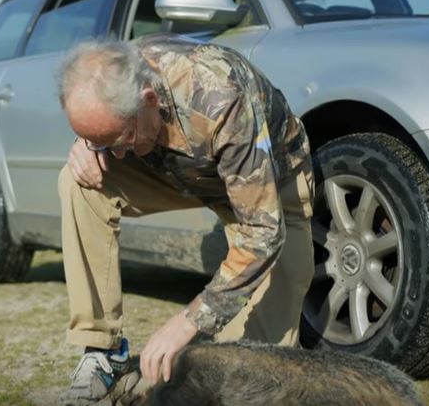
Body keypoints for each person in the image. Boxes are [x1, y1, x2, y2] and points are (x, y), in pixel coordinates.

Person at [57, 34, 314, 405]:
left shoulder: (222, 98)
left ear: (149, 99)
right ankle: (102, 350)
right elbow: (104, 125)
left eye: (122, 138)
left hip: (268, 187)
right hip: (175, 171)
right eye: (105, 142)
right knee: (77, 181)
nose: (116, 154)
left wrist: (190, 321)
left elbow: (263, 233)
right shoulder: (117, 73)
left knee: (253, 373)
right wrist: (86, 145)